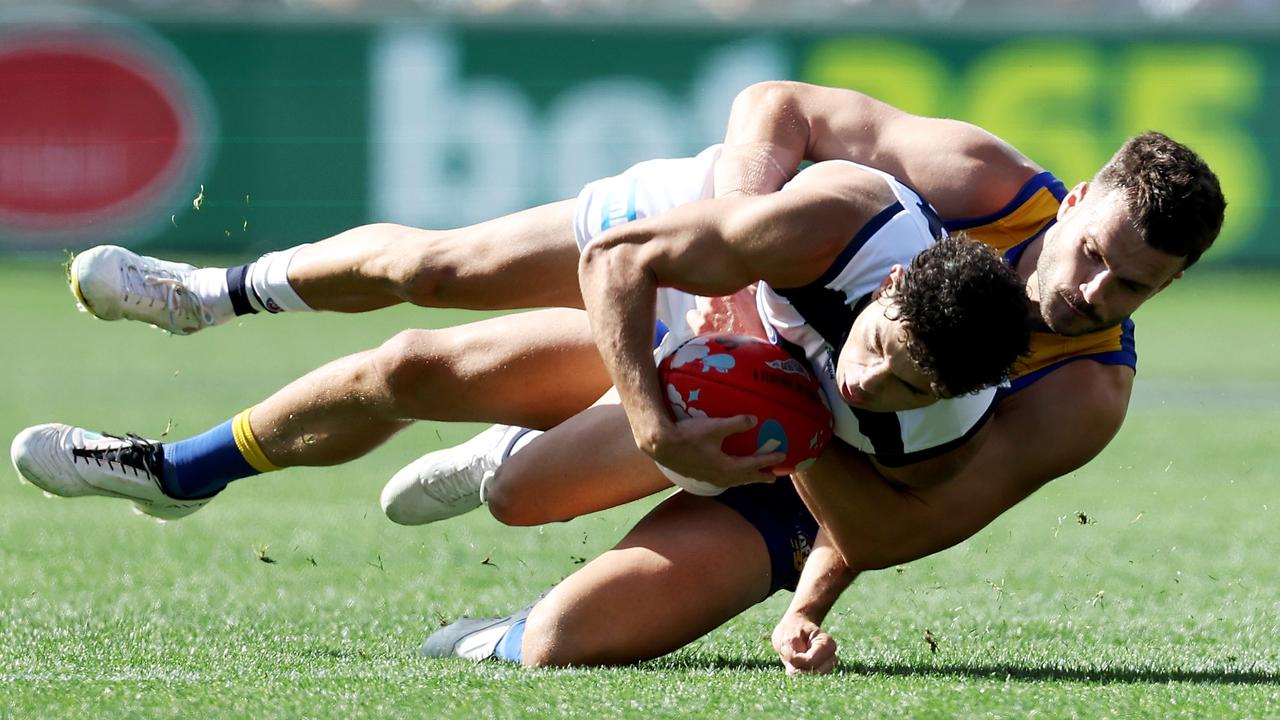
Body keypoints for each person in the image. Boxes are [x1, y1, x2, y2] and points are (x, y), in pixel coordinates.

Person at [399, 83, 1224, 669]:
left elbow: (894, 531)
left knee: (564, 643)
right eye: (1093, 257)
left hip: (812, 473)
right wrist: (728, 246)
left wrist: (800, 436)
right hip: (721, 334)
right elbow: (775, 105)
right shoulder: (982, 180)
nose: (1093, 294)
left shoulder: (1087, 393)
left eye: (1132, 286)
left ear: (1170, 286)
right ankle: (522, 445)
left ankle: (490, 632)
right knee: (478, 420)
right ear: (1075, 203)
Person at [10, 150, 1028, 524]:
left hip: (726, 384)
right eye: (878, 346)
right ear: (888, 285)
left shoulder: (937, 426)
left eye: (899, 387)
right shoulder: (841, 226)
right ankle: (209, 294)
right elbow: (621, 263)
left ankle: (182, 473)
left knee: (446, 416)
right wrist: (651, 417)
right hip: (678, 253)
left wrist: (752, 450)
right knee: (434, 272)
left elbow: (878, 533)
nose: (867, 378)